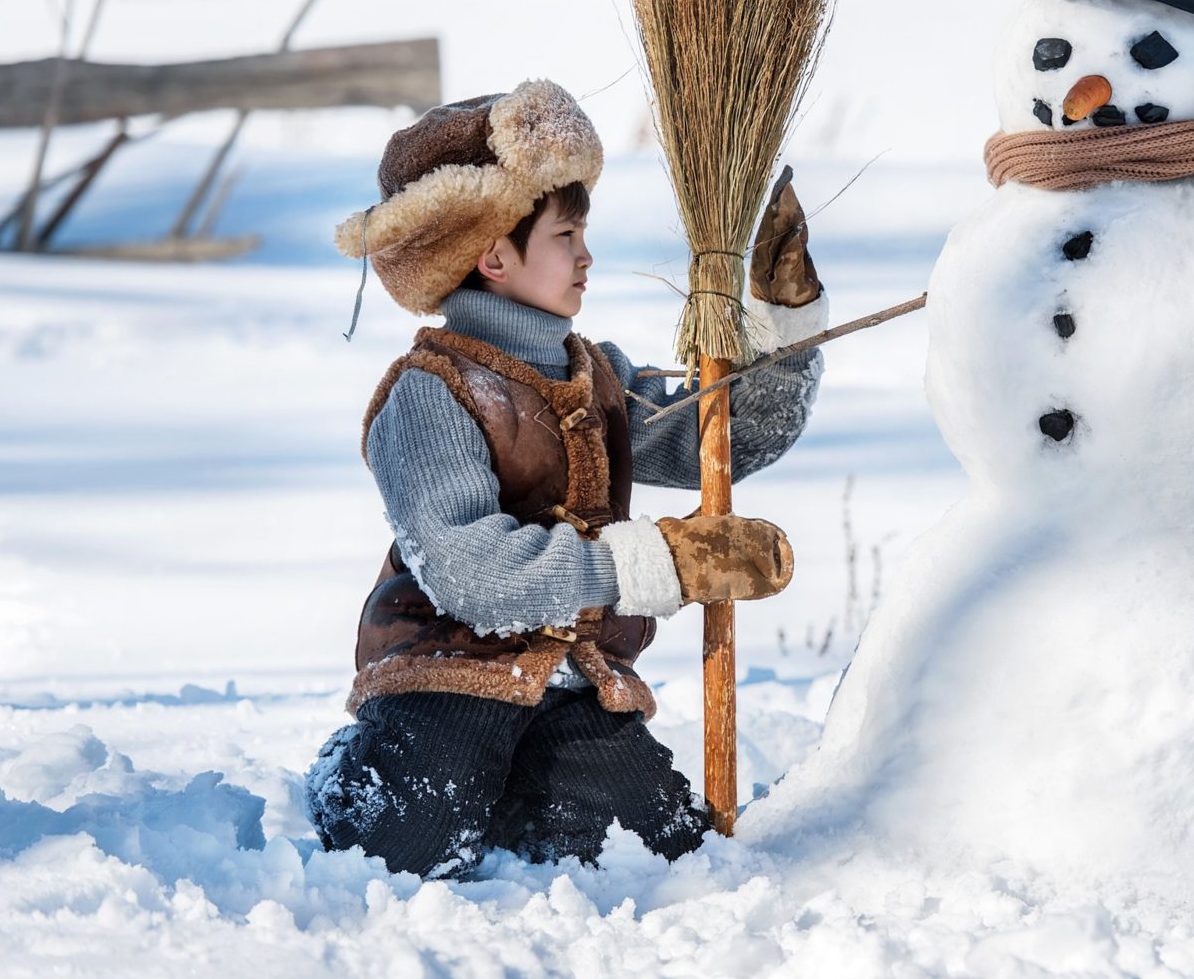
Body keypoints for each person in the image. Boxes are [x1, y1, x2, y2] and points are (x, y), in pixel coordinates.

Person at [305, 80, 829, 878]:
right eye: (565, 234)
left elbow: (721, 439)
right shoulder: (430, 392)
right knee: (412, 844)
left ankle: (519, 789)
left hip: (571, 686)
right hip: (445, 673)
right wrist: (653, 563)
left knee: (658, 847)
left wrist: (782, 326)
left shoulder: (598, 378)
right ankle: (358, 767)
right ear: (493, 254)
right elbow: (468, 570)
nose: (586, 255)